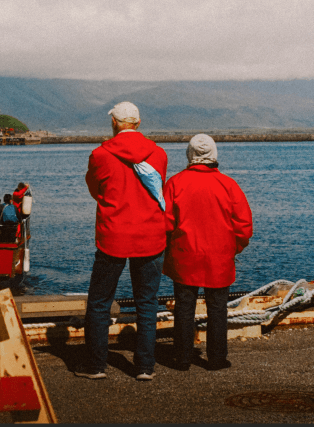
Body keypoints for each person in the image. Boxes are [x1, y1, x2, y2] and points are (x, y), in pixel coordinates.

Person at [77, 101, 168, 381]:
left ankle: (95, 366)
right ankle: (144, 367)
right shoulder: (159, 154)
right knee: (148, 302)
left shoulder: (100, 155)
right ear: (138, 124)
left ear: (114, 123)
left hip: (112, 235)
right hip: (150, 235)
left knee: (100, 302)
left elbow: (95, 188)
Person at [163, 134, 253, 371]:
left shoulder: (175, 183)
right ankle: (216, 358)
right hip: (219, 256)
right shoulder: (229, 185)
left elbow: (165, 223)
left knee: (184, 307)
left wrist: (170, 248)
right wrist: (233, 248)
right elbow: (243, 225)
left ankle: (181, 359)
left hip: (185, 255)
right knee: (217, 308)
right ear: (214, 155)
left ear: (190, 155)